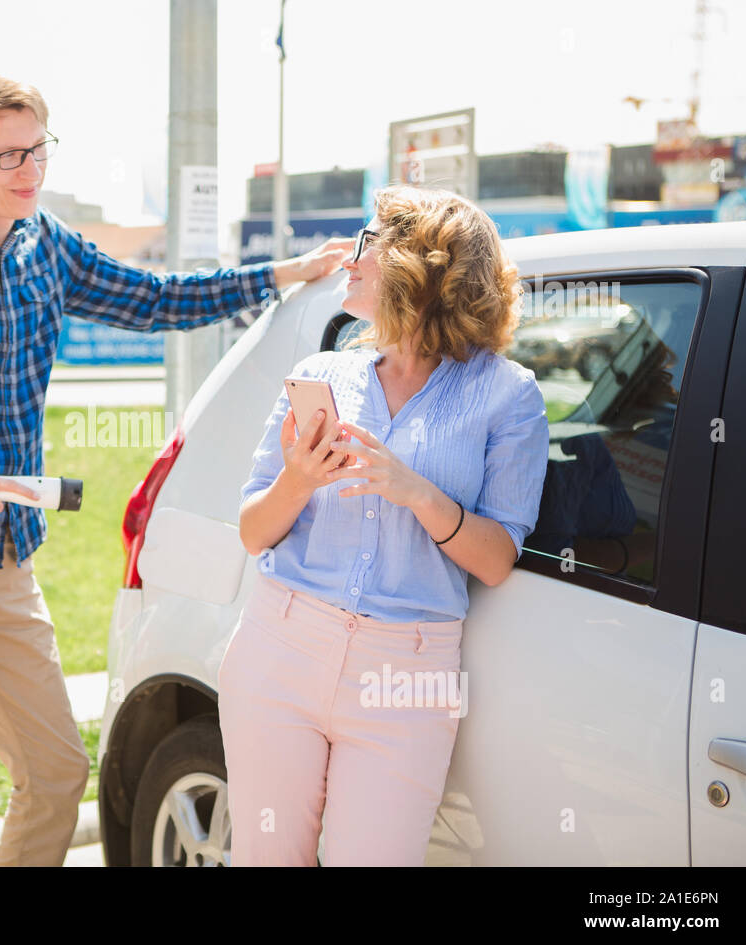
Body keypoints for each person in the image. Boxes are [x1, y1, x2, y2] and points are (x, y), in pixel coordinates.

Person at [0, 68, 349, 866]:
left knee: (55, 770)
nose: (31, 172)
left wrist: (283, 276)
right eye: (7, 156)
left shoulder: (48, 247)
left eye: (38, 150)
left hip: (5, 552)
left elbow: (154, 299)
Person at [221, 183, 550, 866]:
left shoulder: (509, 395)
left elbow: (494, 559)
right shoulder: (320, 374)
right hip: (281, 646)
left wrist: (415, 491)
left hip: (409, 672)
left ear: (419, 269)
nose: (350, 257)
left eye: (369, 242)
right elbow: (254, 533)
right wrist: (299, 480)